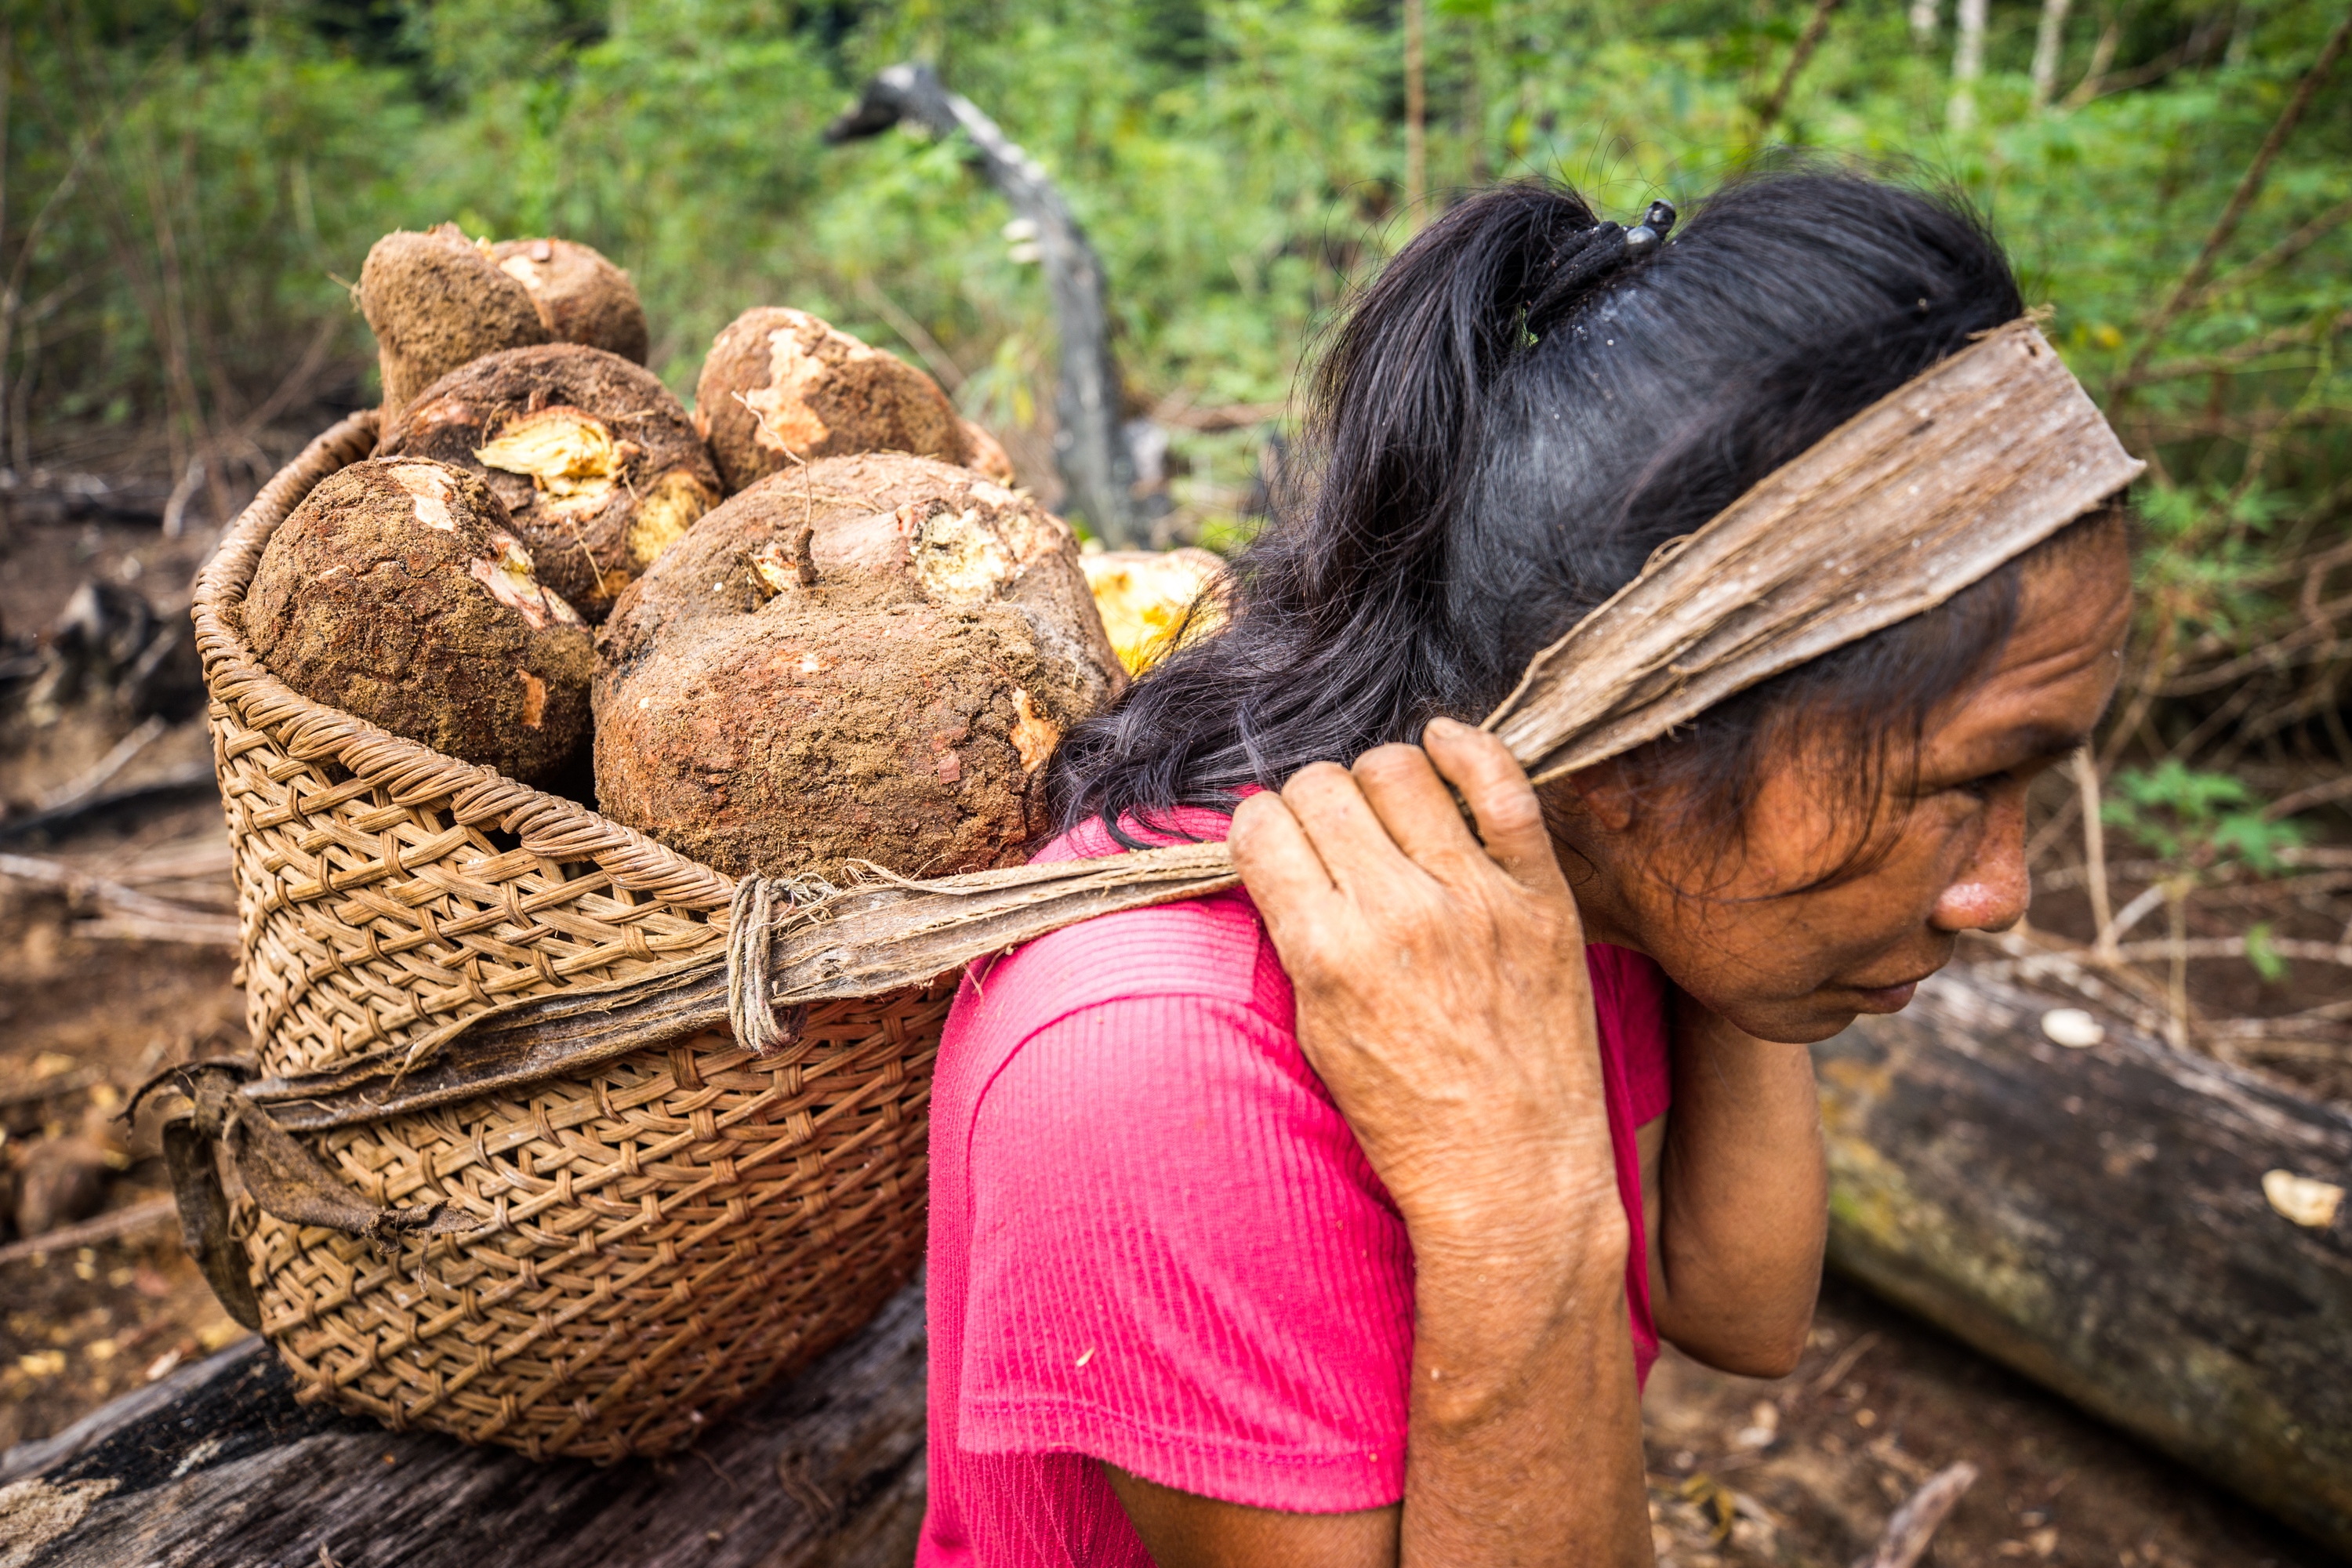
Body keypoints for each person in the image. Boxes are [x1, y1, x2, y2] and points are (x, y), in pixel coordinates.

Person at [916, 170, 2134, 1566]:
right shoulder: (1161, 1065)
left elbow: (1744, 1308)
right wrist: (1518, 1191)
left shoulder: (1591, 863)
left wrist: (1735, 915)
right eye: (1962, 785)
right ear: (1629, 747)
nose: (2001, 890)